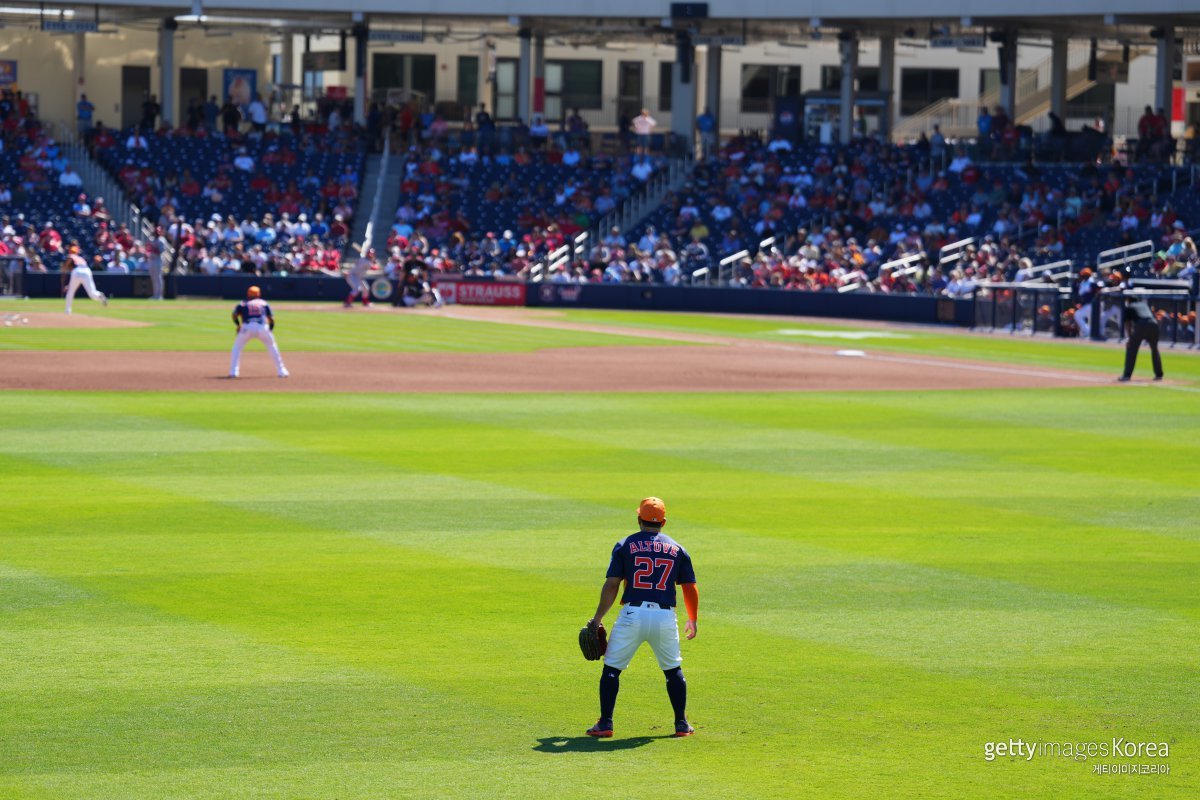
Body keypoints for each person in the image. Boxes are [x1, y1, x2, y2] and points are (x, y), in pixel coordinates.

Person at [585, 496, 698, 739]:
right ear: (663, 522)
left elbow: (612, 584)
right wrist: (693, 618)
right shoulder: (677, 548)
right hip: (664, 618)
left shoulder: (625, 545)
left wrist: (597, 619)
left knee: (612, 669)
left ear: (639, 519)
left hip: (632, 615)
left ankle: (605, 723)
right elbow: (689, 586)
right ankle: (681, 724)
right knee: (673, 670)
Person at [229, 285, 289, 378]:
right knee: (272, 346)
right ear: (259, 294)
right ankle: (282, 370)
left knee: (237, 347)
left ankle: (233, 372)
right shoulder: (263, 303)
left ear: (248, 293)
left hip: (246, 327)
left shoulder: (242, 303)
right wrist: (270, 329)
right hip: (262, 327)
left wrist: (238, 325)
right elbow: (271, 319)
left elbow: (234, 315)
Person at [1118, 296, 1164, 382]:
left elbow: (1128, 324)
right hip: (1154, 324)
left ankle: (1126, 375)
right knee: (1154, 349)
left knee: (1131, 348)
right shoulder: (1144, 305)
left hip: (1142, 325)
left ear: (1128, 300)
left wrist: (1130, 338)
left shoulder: (1129, 307)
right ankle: (1159, 374)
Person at [62, 245, 107, 314]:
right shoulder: (80, 258)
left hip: (77, 271)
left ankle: (68, 310)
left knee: (70, 292)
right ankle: (100, 295)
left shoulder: (71, 256)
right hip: (87, 271)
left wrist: (64, 269)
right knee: (92, 294)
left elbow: (68, 262)